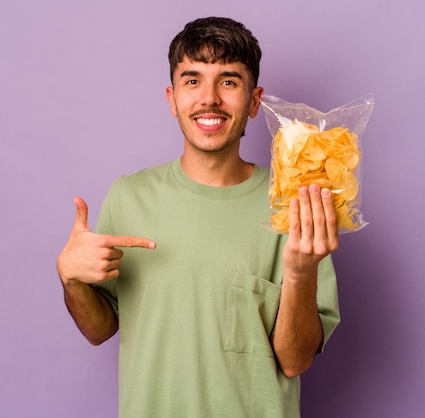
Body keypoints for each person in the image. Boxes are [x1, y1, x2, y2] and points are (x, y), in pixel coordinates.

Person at [57, 16, 340, 418]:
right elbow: (99, 329)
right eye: (193, 81)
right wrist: (70, 278)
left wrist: (299, 272)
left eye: (228, 81)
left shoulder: (297, 205)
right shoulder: (129, 196)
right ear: (172, 99)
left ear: (255, 101)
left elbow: (295, 361)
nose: (209, 98)